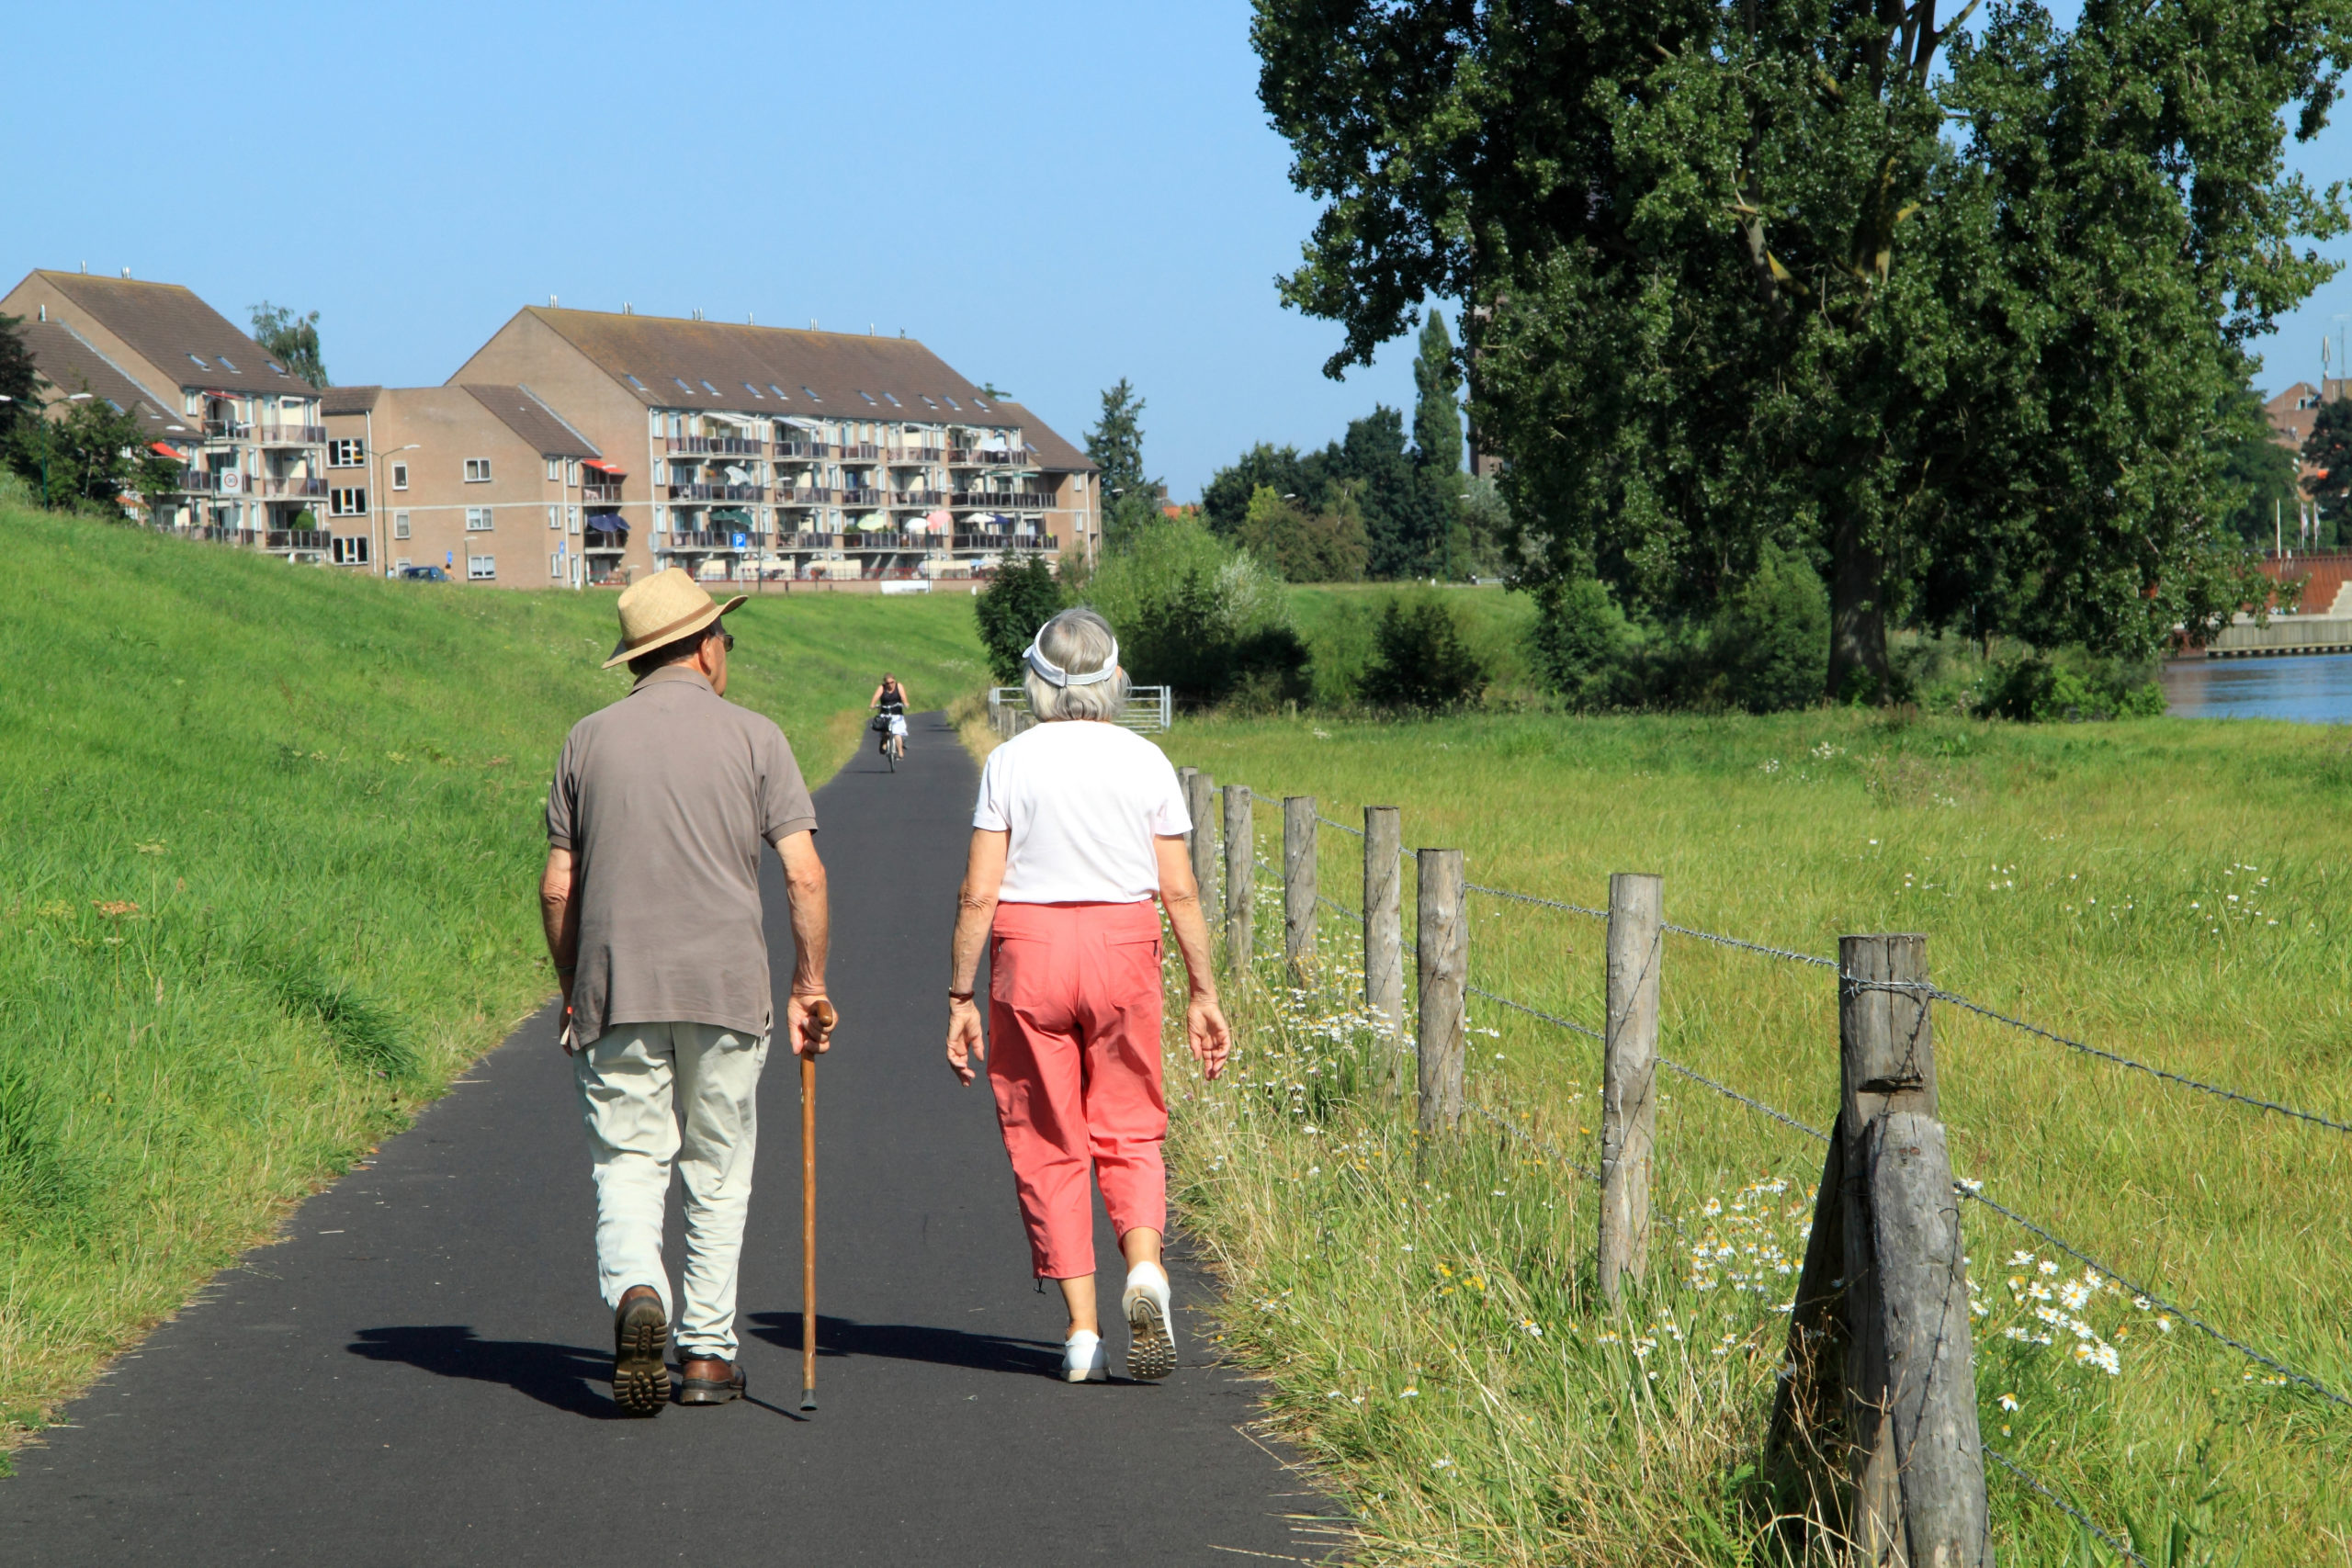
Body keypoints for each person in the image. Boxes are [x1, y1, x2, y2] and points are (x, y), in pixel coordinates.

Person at [539, 568, 834, 1416]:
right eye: (725, 640)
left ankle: (639, 1288)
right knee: (718, 1166)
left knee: (630, 1161)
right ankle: (707, 1353)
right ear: (705, 648)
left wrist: (571, 983)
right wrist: (809, 982)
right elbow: (804, 873)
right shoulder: (756, 737)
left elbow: (560, 887)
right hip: (725, 987)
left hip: (616, 985)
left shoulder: (585, 740)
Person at [944, 608, 1231, 1384]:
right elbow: (1180, 887)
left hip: (1030, 950)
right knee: (1130, 1123)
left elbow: (979, 893)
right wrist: (1204, 990)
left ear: (1037, 681)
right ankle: (1144, 1268)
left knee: (1046, 1134)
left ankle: (1080, 1331)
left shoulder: (1010, 761)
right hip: (1124, 945)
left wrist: (959, 994)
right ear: (1113, 681)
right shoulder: (1146, 761)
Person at [869, 672, 910, 759]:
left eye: (892, 682)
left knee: (897, 733)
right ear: (885, 683)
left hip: (897, 714)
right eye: (888, 683)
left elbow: (903, 697)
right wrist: (873, 704)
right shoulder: (882, 688)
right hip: (885, 713)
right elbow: (876, 696)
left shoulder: (899, 686)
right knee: (885, 731)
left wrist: (905, 703)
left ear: (895, 681)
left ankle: (900, 751)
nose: (890, 685)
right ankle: (884, 742)